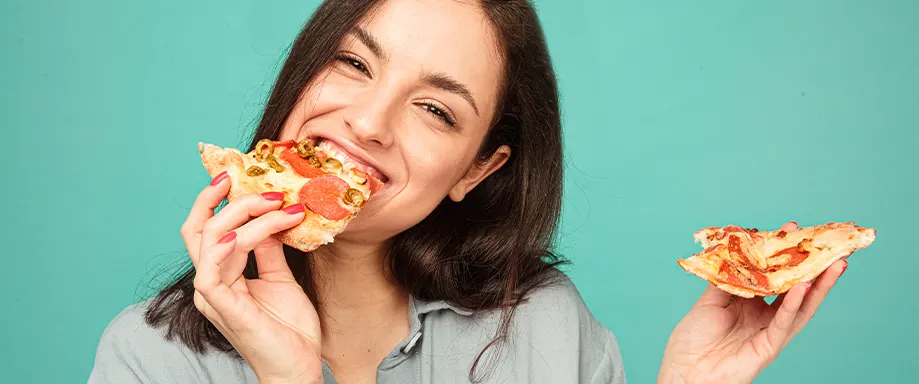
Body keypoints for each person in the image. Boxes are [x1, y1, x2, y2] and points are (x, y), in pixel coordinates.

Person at [87, 0, 848, 383]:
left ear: (477, 171)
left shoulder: (542, 332)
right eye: (354, 65)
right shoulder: (149, 357)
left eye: (435, 109)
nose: (369, 122)